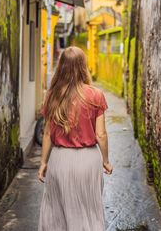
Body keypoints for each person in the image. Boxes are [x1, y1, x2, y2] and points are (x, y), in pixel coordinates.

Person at [38, 46, 113, 231]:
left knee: (57, 213)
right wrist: (106, 160)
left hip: (59, 159)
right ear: (82, 66)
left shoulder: (53, 95)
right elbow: (101, 135)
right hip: (88, 161)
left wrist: (43, 162)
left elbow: (47, 133)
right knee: (89, 211)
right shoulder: (95, 95)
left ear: (61, 66)